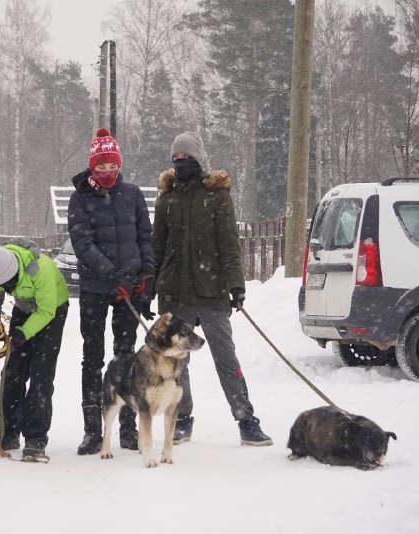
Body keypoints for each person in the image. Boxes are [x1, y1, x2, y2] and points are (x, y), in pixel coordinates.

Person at [153, 130, 272, 446]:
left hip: (212, 292)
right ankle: (182, 420)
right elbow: (156, 247)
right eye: (175, 159)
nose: (180, 163)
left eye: (185, 158)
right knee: (178, 361)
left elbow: (229, 245)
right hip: (176, 294)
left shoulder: (217, 196)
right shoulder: (166, 199)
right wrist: (147, 288)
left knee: (226, 358)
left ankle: (247, 420)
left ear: (197, 159)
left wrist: (236, 285)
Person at [67, 128, 155, 455]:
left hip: (128, 289)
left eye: (111, 166)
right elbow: (83, 243)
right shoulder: (80, 198)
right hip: (94, 288)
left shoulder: (132, 195)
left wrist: (147, 274)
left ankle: (128, 428)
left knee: (127, 357)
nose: (107, 173)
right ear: (92, 167)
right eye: (101, 167)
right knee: (92, 357)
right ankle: (93, 428)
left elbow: (146, 237)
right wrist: (110, 272)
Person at [0, 239, 69, 459]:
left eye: (10, 284)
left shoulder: (40, 269)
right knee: (11, 373)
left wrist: (20, 336)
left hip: (52, 311)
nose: (8, 289)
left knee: (41, 374)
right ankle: (7, 432)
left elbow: (46, 311)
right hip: (24, 309)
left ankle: (36, 437)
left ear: (16, 270)